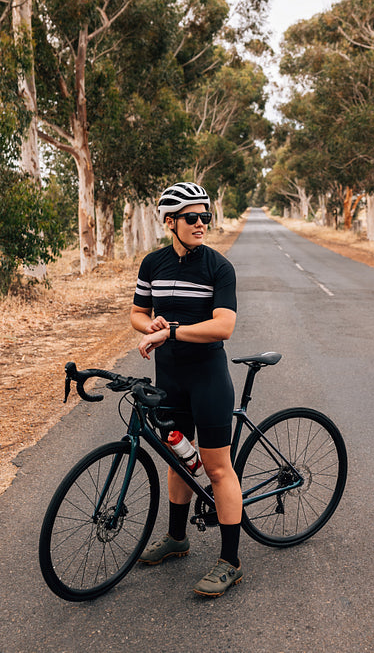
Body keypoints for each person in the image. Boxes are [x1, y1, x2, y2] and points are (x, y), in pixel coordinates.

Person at [130, 182, 242, 597]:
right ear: (170, 222)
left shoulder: (218, 267)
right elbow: (138, 313)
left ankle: (231, 562)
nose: (201, 224)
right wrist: (151, 327)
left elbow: (224, 325)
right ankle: (177, 539)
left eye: (205, 217)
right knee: (178, 460)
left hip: (208, 378)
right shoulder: (153, 264)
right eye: (192, 218)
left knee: (216, 468)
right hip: (170, 378)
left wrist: (172, 331)